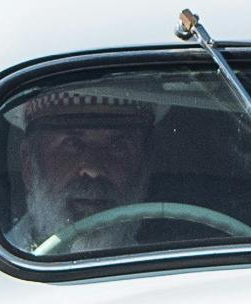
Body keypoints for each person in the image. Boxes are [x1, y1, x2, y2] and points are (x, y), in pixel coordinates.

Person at [11, 86, 164, 253]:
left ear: (143, 164)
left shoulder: (173, 272)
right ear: (29, 164)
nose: (93, 169)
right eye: (72, 144)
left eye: (117, 146)